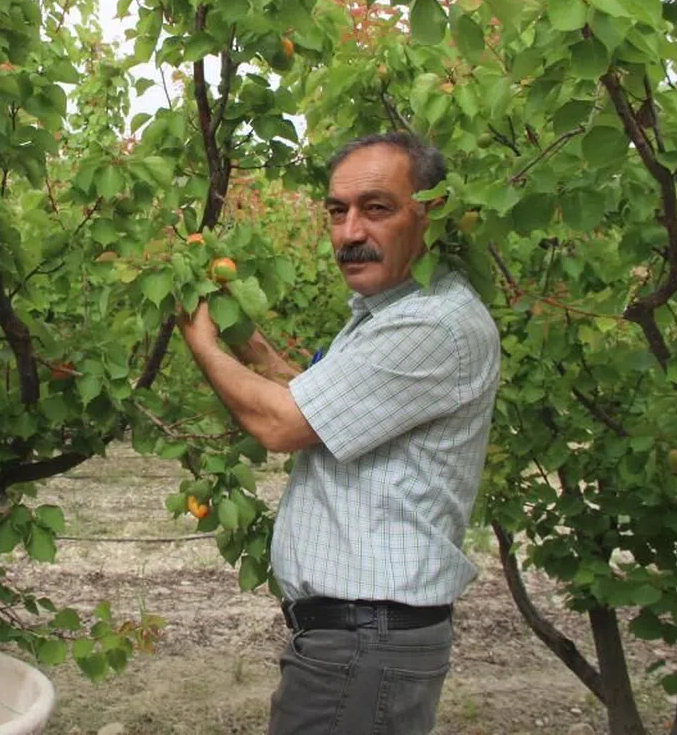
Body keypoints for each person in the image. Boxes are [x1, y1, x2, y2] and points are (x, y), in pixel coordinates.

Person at [177, 132, 501, 735]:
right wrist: (241, 332)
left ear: (429, 212)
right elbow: (314, 399)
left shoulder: (433, 324)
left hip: (365, 644)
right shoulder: (394, 313)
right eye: (337, 211)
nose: (350, 233)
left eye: (376, 208)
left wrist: (200, 341)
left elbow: (282, 423)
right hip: (358, 641)